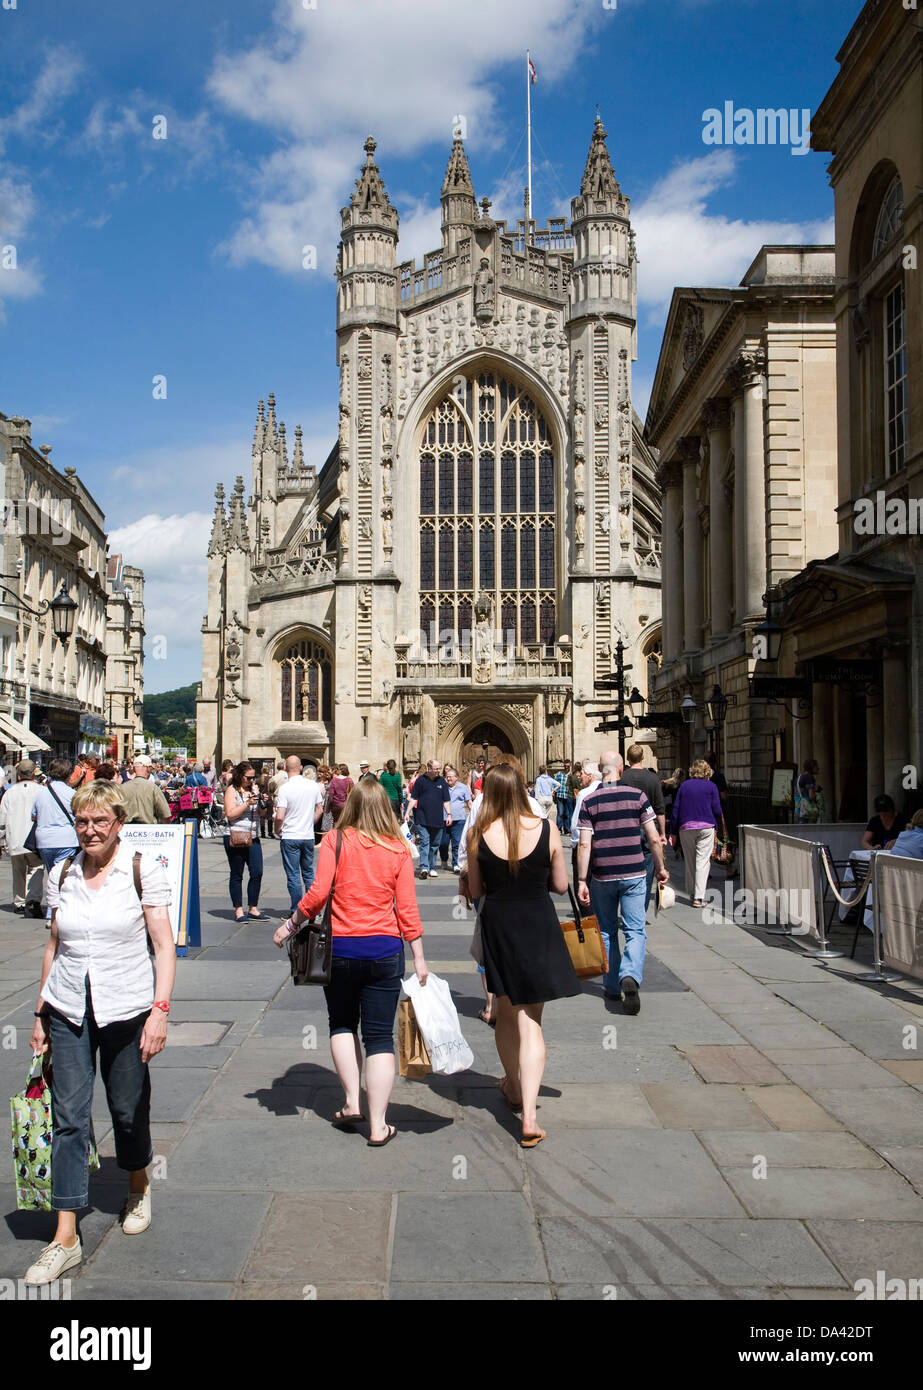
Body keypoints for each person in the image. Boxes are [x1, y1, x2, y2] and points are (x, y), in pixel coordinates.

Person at [24, 780, 174, 1286]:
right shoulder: (62, 872)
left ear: (119, 824)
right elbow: (53, 945)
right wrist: (40, 1012)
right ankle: (65, 1235)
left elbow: (163, 946)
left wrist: (159, 1011)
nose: (90, 831)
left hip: (127, 1006)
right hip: (68, 1007)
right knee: (68, 1117)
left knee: (127, 1109)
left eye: (100, 822)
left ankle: (138, 1183)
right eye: (82, 821)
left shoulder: (141, 869)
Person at [273, 778, 428, 1146]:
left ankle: (351, 1102)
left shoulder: (335, 840)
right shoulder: (398, 848)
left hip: (341, 950)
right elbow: (406, 909)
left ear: (352, 806)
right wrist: (419, 956)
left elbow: (317, 894)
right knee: (379, 1038)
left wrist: (290, 925)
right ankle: (378, 1126)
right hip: (385, 951)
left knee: (341, 1023)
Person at [466, 762, 577, 1147]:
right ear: (520, 791)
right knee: (532, 1020)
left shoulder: (478, 834)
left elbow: (476, 891)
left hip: (499, 926)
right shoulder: (547, 829)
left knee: (507, 1012)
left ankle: (513, 1086)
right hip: (537, 924)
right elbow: (560, 885)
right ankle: (529, 1115)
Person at [577, 751, 669, 1012]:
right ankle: (629, 974)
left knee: (606, 931)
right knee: (635, 930)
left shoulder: (590, 800)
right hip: (634, 873)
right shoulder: (637, 796)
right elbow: (653, 837)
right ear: (620, 770)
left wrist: (582, 879)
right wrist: (661, 868)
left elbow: (584, 844)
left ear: (600, 770)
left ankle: (612, 986)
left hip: (603, 874)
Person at [458, 756, 545, 1027]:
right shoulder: (533, 806)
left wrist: (465, 879)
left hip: (490, 893)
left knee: (489, 945)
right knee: (525, 949)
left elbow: (465, 849)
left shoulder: (481, 804)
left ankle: (492, 1004)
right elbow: (549, 857)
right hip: (530, 897)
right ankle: (521, 1002)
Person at [670, 758, 726, 908]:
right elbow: (717, 809)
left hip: (686, 827)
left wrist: (673, 832)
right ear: (707, 771)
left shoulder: (684, 786)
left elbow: (676, 809)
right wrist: (719, 826)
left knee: (690, 861)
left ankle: (692, 892)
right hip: (706, 826)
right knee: (703, 862)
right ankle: (699, 897)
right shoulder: (711, 786)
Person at [619, 743, 667, 912]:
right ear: (643, 757)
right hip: (648, 828)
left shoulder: (622, 778)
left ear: (627, 758)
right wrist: (662, 833)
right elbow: (660, 810)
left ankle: (627, 906)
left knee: (626, 871)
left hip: (626, 828)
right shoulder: (653, 778)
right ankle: (640, 910)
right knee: (647, 872)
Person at [275, 755, 325, 913]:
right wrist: (309, 822)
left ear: (285, 768)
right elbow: (320, 809)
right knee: (309, 873)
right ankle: (313, 910)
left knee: (293, 875)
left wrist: (277, 829)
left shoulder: (285, 788)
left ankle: (296, 910)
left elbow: (280, 816)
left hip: (290, 836)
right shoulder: (312, 786)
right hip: (307, 836)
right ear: (301, 768)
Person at [222, 761, 267, 921]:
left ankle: (253, 908)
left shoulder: (254, 789)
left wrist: (262, 802)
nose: (252, 780)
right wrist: (247, 803)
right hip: (235, 836)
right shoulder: (232, 790)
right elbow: (230, 814)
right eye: (249, 778)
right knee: (237, 873)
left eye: (254, 777)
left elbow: (261, 814)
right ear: (240, 776)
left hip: (252, 836)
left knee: (257, 872)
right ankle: (239, 910)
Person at [0, 760, 44, 916]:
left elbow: (2, 819)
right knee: (36, 868)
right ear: (33, 773)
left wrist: (1, 840)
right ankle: (33, 900)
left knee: (18, 871)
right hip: (34, 838)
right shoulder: (41, 791)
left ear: (18, 774)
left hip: (15, 838)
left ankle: (19, 902)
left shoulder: (10, 793)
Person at [31, 759, 80, 902]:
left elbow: (34, 816)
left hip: (44, 840)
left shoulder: (41, 793)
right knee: (63, 876)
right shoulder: (72, 794)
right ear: (69, 774)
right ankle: (57, 908)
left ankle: (53, 905)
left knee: (52, 874)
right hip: (66, 839)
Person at [405, 759, 451, 879]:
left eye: (439, 768)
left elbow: (446, 800)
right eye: (436, 769)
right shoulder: (420, 781)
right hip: (422, 818)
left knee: (435, 844)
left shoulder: (442, 781)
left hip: (437, 819)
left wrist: (449, 814)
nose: (438, 771)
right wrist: (407, 812)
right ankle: (424, 867)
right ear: (429, 769)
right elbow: (414, 798)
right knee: (425, 842)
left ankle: (432, 867)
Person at [119, 757, 171, 825]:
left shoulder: (122, 788)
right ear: (148, 768)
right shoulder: (153, 788)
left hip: (126, 829)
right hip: (148, 829)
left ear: (134, 769)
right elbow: (165, 815)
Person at [441, 765, 472, 871]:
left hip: (459, 819)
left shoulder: (463, 788)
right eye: (447, 776)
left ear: (456, 777)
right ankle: (444, 860)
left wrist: (474, 812)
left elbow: (468, 802)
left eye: (450, 776)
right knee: (443, 843)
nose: (448, 778)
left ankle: (455, 863)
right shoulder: (443, 787)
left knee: (456, 842)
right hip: (444, 818)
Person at [379, 758, 404, 823]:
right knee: (396, 820)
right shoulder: (398, 776)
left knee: (386, 819)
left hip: (386, 800)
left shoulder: (383, 776)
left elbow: (380, 788)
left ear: (387, 767)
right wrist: (401, 801)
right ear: (395, 766)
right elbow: (399, 790)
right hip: (396, 800)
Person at [553, 761, 573, 834]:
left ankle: (566, 829)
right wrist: (553, 792)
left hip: (568, 796)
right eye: (565, 766)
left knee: (567, 814)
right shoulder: (559, 774)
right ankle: (558, 828)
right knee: (560, 813)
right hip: (560, 795)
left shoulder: (571, 775)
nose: (566, 767)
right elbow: (554, 783)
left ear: (570, 766)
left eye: (568, 766)